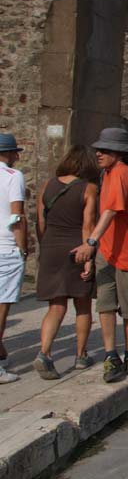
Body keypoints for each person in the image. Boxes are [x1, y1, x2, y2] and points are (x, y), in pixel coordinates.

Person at [72, 128, 128, 383]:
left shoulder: (120, 173)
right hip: (109, 251)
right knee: (105, 304)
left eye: (105, 150)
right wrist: (96, 251)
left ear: (119, 153)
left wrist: (90, 243)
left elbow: (111, 212)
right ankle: (110, 355)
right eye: (98, 149)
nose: (99, 153)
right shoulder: (107, 174)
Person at [33, 146, 100, 380]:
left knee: (56, 305)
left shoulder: (46, 186)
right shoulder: (89, 189)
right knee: (82, 304)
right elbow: (88, 225)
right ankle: (81, 355)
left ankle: (44, 353)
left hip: (51, 246)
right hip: (76, 249)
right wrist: (89, 257)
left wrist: (46, 245)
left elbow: (40, 221)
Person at [0, 134, 28, 384]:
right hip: (5, 247)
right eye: (15, 153)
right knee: (1, 308)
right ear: (8, 154)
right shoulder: (13, 176)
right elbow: (16, 216)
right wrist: (23, 249)